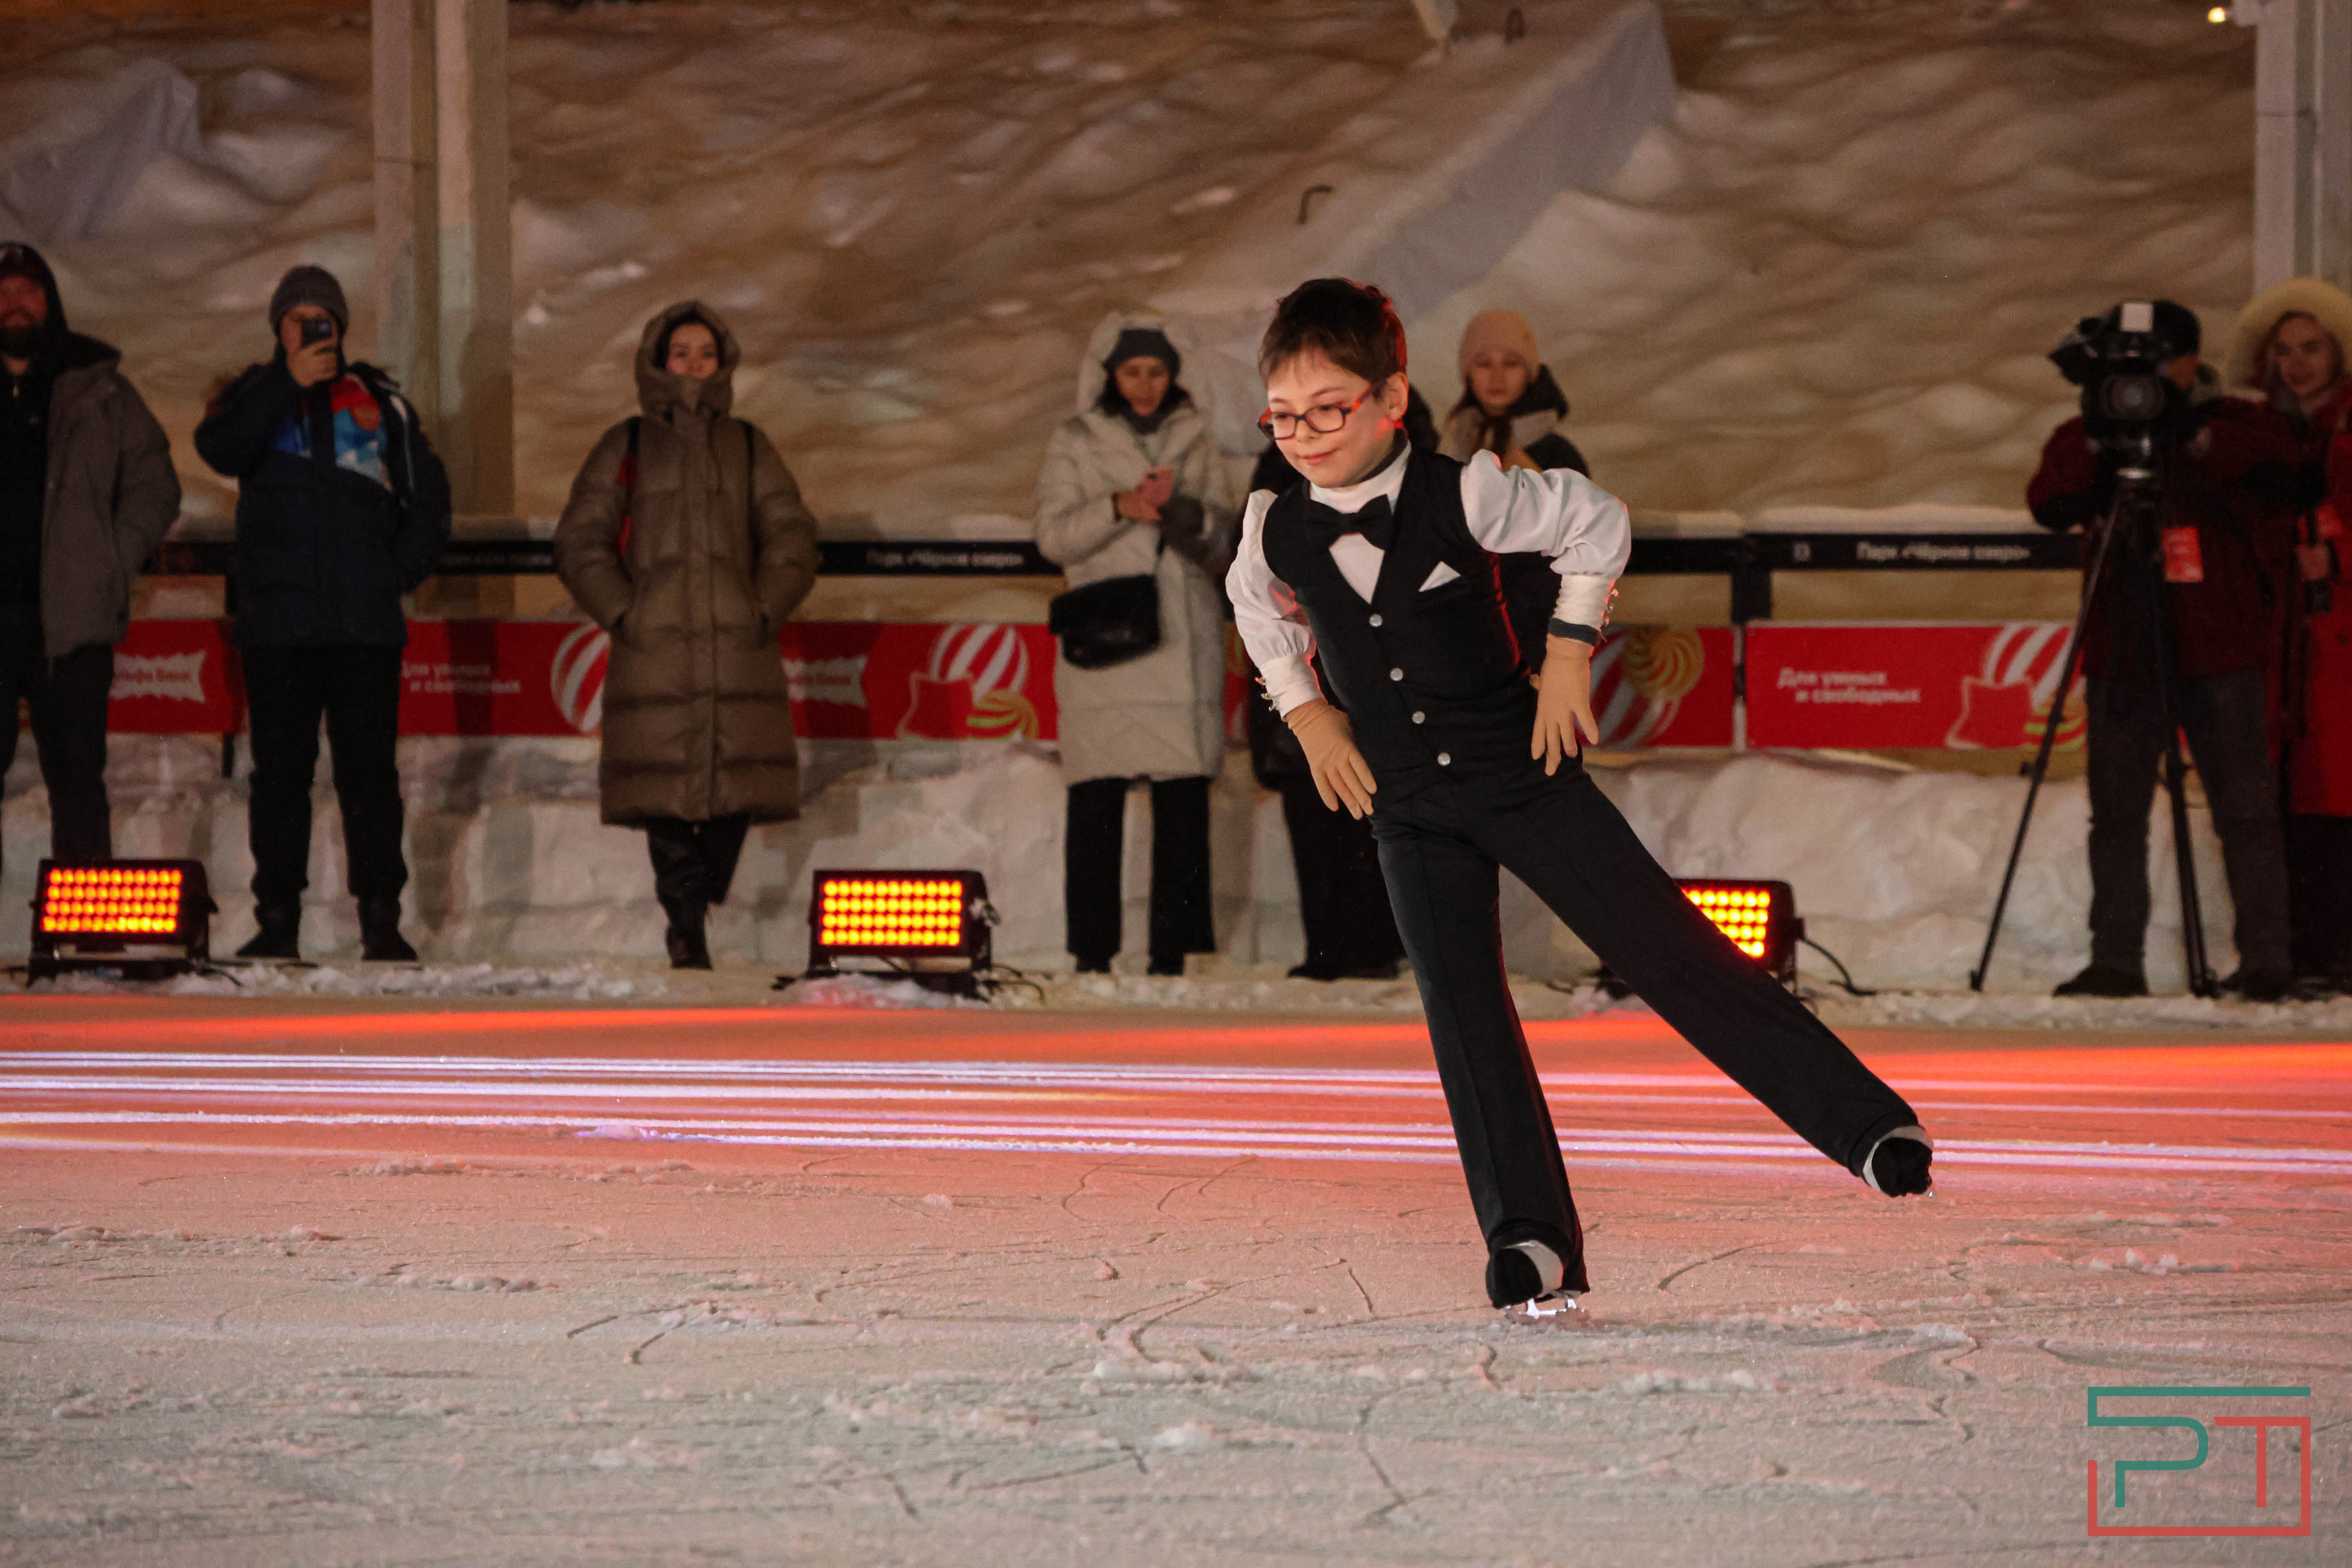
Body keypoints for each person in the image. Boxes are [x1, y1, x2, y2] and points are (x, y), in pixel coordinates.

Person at [1228, 278, 1931, 1312]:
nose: (1302, 434)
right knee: (1462, 1013)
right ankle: (1530, 1236)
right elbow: (1256, 608)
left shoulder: (1464, 490)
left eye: (1328, 408)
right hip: (1409, 805)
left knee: (1664, 948)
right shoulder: (1274, 527)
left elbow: (1595, 523)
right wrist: (1306, 711)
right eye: (1282, 414)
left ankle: (1865, 1124)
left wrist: (1567, 654)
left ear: (1389, 399)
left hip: (1522, 773)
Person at [2027, 300, 2316, 1002]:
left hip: (2219, 645)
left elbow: (2290, 477)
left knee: (2245, 809)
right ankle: (2116, 959)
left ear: (2189, 363)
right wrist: (2101, 430)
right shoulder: (2092, 429)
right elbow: (2051, 500)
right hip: (2124, 649)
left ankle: (2268, 960)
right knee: (2117, 813)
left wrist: (2192, 437)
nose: (2145, 380)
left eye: (2156, 363)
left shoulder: (2235, 424)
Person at [553, 302, 818, 969]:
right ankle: (684, 923)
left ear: (722, 362)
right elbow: (580, 538)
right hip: (657, 650)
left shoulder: (750, 443)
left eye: (705, 352)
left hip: (736, 644)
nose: (693, 364)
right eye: (682, 353)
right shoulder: (629, 444)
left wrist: (763, 606)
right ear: (658, 361)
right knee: (666, 797)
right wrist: (625, 611)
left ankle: (700, 896)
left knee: (736, 791)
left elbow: (791, 533)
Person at [195, 265, 449, 962]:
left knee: (369, 777)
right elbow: (219, 449)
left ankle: (381, 919)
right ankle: (277, 920)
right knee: (279, 778)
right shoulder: (254, 396)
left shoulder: (377, 399)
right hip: (279, 628)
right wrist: (287, 381)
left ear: (341, 326)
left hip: (363, 627)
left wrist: (392, 574)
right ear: (278, 328)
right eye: (297, 318)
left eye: (323, 318)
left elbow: (430, 497)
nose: (312, 329)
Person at [1036, 316, 1237, 976]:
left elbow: (1226, 537)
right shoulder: (1075, 439)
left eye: (1155, 371)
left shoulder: (1197, 438)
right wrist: (1116, 506)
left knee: (1182, 805)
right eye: (1132, 372)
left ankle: (1172, 954)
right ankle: (1092, 953)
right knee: (1096, 799)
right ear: (1110, 376)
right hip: (1106, 640)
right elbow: (1052, 537)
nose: (1145, 385)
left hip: (1180, 634)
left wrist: (1186, 515)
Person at [0, 241, 180, 897]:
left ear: (51, 301)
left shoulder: (100, 388)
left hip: (72, 621)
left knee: (77, 782)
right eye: (4, 293)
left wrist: (114, 555)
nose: (15, 304)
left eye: (28, 291)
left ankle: (85, 932)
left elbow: (156, 483)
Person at [2229, 280, 2352, 988]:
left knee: (2334, 805)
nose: (2299, 362)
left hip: (2332, 645)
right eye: (2286, 351)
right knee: (2290, 807)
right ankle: (2307, 952)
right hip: (2285, 650)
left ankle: (2335, 955)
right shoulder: (2267, 433)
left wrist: (2338, 556)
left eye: (2313, 347)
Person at [1438, 309, 1593, 664]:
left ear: (1530, 372)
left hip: (1537, 633)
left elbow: (1588, 537)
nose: (1497, 376)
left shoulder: (1556, 453)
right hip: (1462, 628)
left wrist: (1536, 483)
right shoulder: (1451, 448)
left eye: (1511, 363)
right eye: (1483, 363)